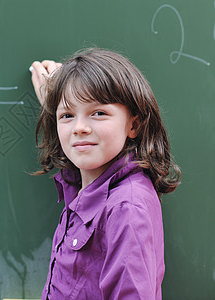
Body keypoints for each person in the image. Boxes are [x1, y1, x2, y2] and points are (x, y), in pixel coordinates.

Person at [29, 48, 180, 299]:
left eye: (98, 113)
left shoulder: (126, 206)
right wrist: (57, 96)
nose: (79, 128)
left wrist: (67, 103)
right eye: (67, 115)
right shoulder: (90, 184)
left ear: (133, 124)